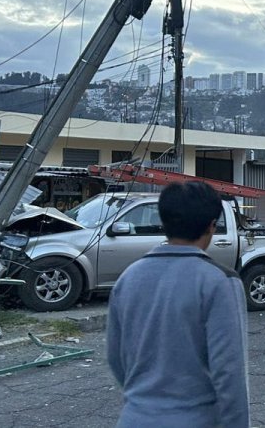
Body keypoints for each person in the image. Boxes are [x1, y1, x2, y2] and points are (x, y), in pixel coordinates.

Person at [107, 181, 249, 428]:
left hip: (134, 418)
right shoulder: (219, 281)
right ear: (211, 226)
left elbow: (116, 358)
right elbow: (229, 372)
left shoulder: (128, 277)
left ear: (164, 223)